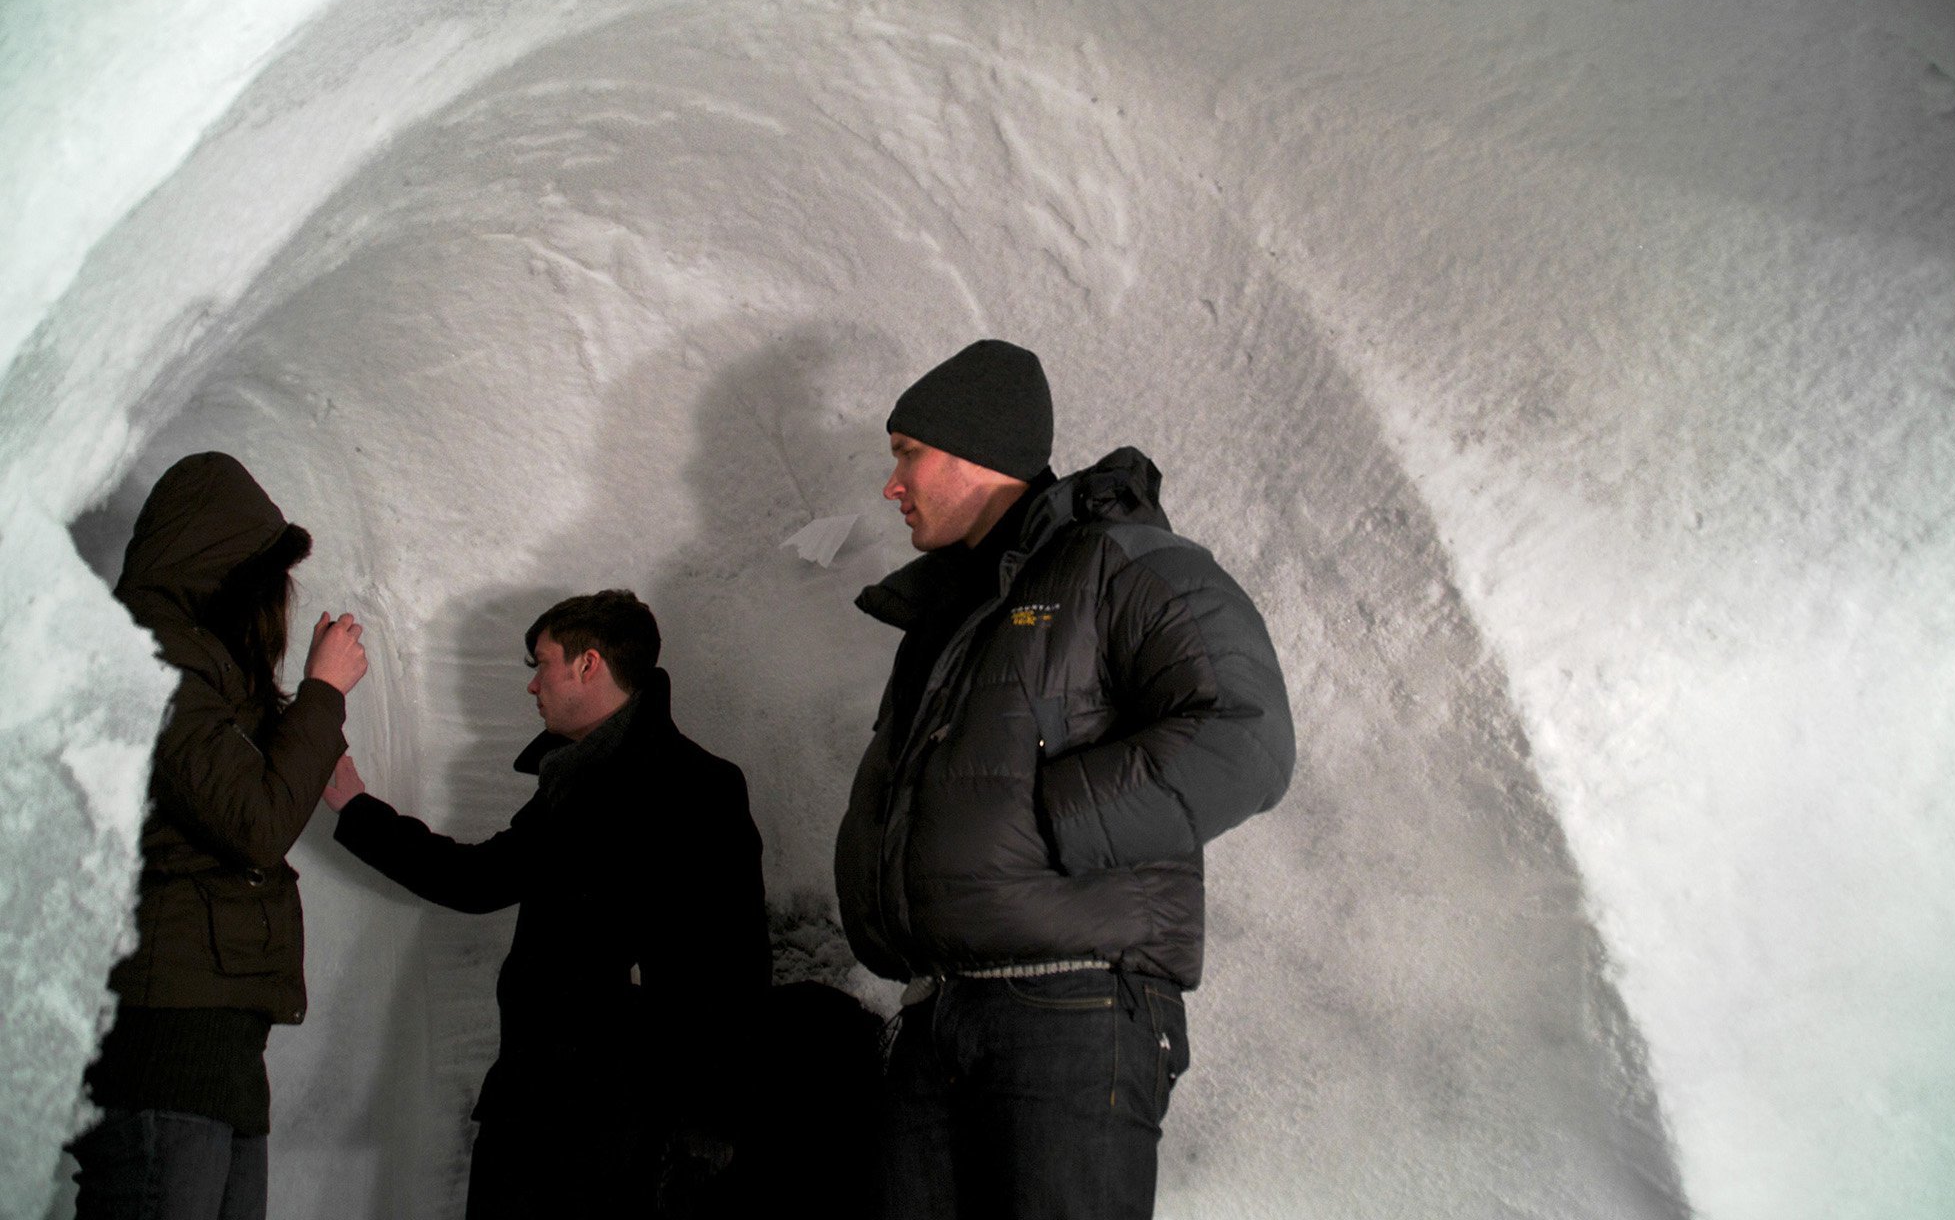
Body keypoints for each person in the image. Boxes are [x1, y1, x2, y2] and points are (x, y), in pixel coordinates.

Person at [834, 340, 1295, 1219]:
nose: (891, 485)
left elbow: (1248, 735)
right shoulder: (951, 611)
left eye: (906, 454)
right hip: (938, 1012)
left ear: (977, 450)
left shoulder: (1119, 563)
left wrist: (1048, 823)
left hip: (1072, 1011)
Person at [322, 589, 770, 1218]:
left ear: (587, 664)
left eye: (541, 663)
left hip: (622, 1125)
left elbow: (736, 967)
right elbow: (481, 879)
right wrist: (357, 809)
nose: (533, 686)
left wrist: (709, 1127)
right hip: (537, 1110)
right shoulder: (578, 778)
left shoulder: (695, 785)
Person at [72, 451, 370, 1220]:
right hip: (164, 1046)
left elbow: (249, 797)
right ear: (223, 569)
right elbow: (256, 822)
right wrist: (323, 694)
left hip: (216, 1041)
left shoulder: (200, 665)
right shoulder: (151, 658)